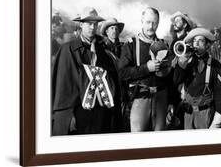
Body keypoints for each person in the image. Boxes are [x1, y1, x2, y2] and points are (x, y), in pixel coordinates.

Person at [52, 7, 122, 135]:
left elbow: (111, 80)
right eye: (89, 23)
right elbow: (64, 86)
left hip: (99, 113)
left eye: (95, 24)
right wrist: (68, 116)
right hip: (77, 112)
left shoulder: (103, 52)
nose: (92, 27)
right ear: (81, 24)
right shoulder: (68, 50)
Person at [118, 7, 174, 132]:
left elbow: (170, 77)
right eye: (148, 22)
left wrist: (171, 102)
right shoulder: (131, 44)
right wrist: (146, 68)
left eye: (154, 22)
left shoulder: (164, 44)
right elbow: (122, 73)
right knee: (139, 141)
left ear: (158, 23)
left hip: (161, 99)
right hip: (140, 98)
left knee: (159, 141)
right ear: (142, 21)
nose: (151, 26)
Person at [172, 27, 221, 129]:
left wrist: (218, 119)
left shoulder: (215, 64)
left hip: (205, 113)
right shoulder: (187, 62)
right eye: (194, 41)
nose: (196, 44)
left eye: (200, 41)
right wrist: (181, 65)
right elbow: (176, 81)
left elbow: (220, 93)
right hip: (188, 112)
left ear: (207, 45)